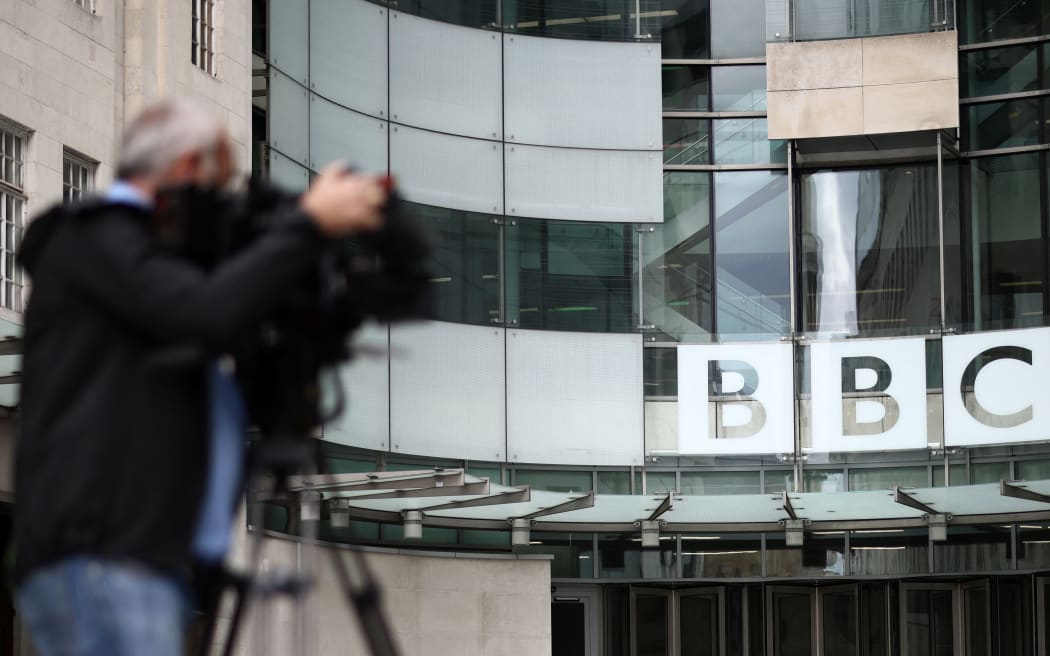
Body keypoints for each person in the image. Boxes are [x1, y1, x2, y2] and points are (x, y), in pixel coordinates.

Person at [11, 97, 388, 656]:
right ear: (189, 167)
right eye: (223, 184)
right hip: (103, 556)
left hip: (139, 557)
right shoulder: (94, 238)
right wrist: (308, 225)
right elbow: (205, 313)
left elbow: (215, 322)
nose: (225, 205)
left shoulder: (151, 267)